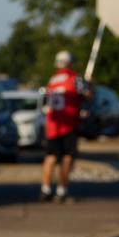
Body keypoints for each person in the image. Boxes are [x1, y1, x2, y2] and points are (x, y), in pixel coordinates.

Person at [40, 50, 91, 203]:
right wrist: (90, 85)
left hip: (53, 126)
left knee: (50, 157)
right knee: (67, 158)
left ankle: (45, 189)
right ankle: (61, 190)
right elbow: (87, 95)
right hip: (69, 125)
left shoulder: (52, 80)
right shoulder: (75, 79)